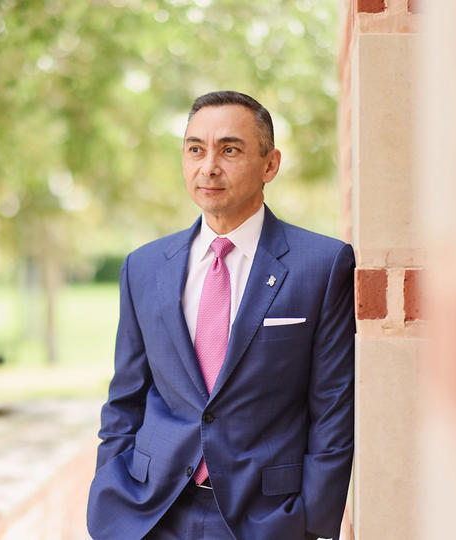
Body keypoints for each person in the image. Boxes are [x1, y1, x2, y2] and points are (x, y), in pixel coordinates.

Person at [86, 91, 355, 540]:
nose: (208, 166)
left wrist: (312, 521)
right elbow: (125, 399)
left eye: (229, 149)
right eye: (195, 149)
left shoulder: (322, 266)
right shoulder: (144, 267)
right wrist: (109, 497)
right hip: (151, 513)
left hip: (267, 518)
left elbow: (332, 408)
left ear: (270, 164)